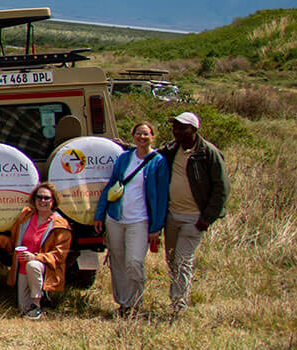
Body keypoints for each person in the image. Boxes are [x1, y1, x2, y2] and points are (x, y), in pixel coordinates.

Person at [95, 122, 170, 318]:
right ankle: (124, 305)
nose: (142, 137)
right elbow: (112, 186)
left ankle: (136, 303)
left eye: (146, 134)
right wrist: (100, 214)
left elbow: (161, 197)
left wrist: (156, 227)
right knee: (117, 263)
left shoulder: (158, 162)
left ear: (152, 137)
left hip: (140, 219)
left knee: (134, 262)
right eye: (138, 134)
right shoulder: (124, 158)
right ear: (133, 136)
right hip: (116, 217)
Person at [160, 110, 229, 317]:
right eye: (175, 127)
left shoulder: (208, 153)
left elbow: (221, 188)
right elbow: (149, 155)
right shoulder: (172, 149)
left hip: (194, 218)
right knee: (172, 260)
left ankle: (179, 306)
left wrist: (206, 219)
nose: (177, 131)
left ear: (194, 129)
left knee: (183, 260)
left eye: (183, 128)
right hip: (172, 216)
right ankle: (178, 298)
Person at [5, 183, 72, 319]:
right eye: (39, 197)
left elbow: (59, 255)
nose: (43, 201)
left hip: (42, 267)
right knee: (23, 310)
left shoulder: (59, 224)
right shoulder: (26, 217)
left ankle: (37, 304)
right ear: (34, 200)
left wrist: (35, 257)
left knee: (33, 265)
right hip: (22, 268)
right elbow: (12, 242)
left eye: (47, 198)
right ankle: (32, 306)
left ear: (53, 201)